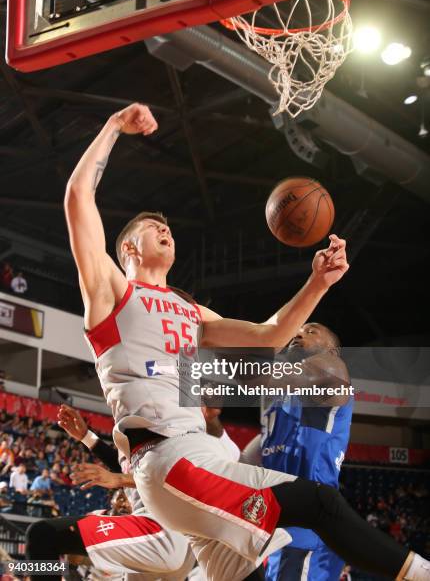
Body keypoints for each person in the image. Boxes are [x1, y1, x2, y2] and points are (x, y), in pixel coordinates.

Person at [64, 102, 430, 581]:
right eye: (153, 228)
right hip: (168, 459)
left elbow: (270, 336)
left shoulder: (192, 310)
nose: (165, 228)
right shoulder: (113, 291)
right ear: (129, 248)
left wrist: (319, 282)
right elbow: (77, 198)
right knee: (317, 501)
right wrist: (113, 126)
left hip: (195, 465)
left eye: (168, 227)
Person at [26, 404, 196, 581]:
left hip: (163, 534)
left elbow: (169, 478)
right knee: (43, 537)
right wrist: (87, 437)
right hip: (159, 545)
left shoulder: (170, 437)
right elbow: (123, 467)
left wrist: (119, 479)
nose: (123, 502)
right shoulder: (136, 445)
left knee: (42, 534)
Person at [242, 323, 352, 581]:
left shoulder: (332, 369)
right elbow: (248, 459)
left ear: (332, 350)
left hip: (308, 523)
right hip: (278, 522)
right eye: (297, 330)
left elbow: (257, 377)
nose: (299, 333)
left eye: (311, 331)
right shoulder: (280, 406)